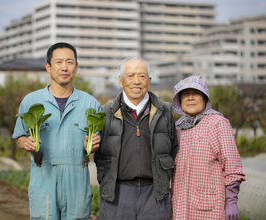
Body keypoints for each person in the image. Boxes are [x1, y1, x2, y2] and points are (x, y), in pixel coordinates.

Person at [12, 42, 101, 220]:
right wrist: (26, 142)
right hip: (43, 177)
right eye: (59, 62)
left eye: (69, 62)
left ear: (76, 67)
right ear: (48, 67)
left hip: (77, 181)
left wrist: (92, 146)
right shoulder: (31, 101)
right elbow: (20, 135)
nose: (64, 67)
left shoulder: (90, 103)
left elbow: (96, 144)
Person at [94, 57, 178, 220]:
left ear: (149, 80)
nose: (136, 81)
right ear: (121, 81)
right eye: (130, 76)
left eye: (141, 76)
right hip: (116, 195)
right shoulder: (104, 113)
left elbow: (174, 150)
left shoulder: (165, 111)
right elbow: (93, 152)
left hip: (155, 195)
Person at [171, 75, 246, 220]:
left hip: (209, 206)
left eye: (196, 93)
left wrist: (231, 201)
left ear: (205, 98)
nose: (190, 98)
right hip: (181, 205)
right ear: (179, 101)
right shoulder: (177, 127)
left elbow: (232, 165)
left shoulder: (217, 123)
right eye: (185, 94)